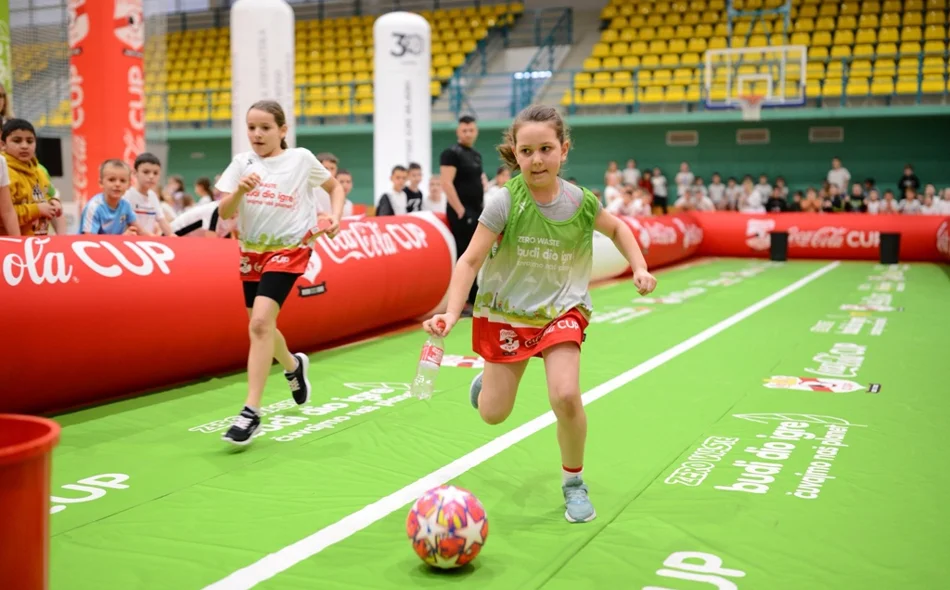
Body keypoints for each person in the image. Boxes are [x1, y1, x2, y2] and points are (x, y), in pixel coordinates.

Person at [422, 105, 657, 523]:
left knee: (565, 396)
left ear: (563, 150)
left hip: (561, 312)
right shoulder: (504, 203)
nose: (536, 159)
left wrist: (639, 266)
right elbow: (469, 262)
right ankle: (486, 380)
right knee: (493, 414)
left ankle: (574, 483)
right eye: (526, 150)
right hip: (507, 314)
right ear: (515, 152)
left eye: (546, 148)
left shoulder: (581, 203)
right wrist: (451, 312)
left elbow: (619, 229)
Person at [216, 99, 345, 446]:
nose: (257, 134)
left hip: (289, 250)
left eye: (265, 128)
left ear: (282, 130)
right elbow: (224, 212)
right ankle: (292, 366)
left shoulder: (300, 159)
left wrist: (335, 216)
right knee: (262, 327)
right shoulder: (241, 164)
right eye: (251, 128)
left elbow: (335, 188)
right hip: (251, 253)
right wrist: (240, 190)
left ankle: (251, 411)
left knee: (258, 324)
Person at [439, 115, 485, 314]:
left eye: (471, 130)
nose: (468, 133)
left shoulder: (476, 155)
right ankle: (462, 302)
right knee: (463, 256)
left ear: (476, 132)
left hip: (477, 212)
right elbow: (446, 183)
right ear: (458, 132)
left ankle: (475, 297)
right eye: (464, 130)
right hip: (461, 213)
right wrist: (460, 211)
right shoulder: (451, 153)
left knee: (475, 255)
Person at [2, 118, 63, 236]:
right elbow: (4, 214)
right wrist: (37, 209)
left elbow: (47, 197)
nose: (24, 146)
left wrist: (53, 202)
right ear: (3, 145)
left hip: (39, 244)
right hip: (11, 248)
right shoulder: (4, 172)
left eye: (30, 141)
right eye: (17, 141)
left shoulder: (40, 171)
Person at [79, 160, 143, 235]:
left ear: (129, 185)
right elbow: (89, 239)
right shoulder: (93, 207)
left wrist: (157, 238)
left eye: (122, 181)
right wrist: (122, 238)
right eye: (112, 180)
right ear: (101, 183)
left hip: (115, 245)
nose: (117, 184)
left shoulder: (126, 205)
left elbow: (141, 231)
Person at [125, 152, 175, 236]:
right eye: (146, 172)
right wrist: (150, 236)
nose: (151, 176)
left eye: (155, 173)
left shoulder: (153, 196)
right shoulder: (127, 195)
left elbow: (161, 220)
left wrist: (171, 235)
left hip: (148, 242)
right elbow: (130, 222)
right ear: (135, 173)